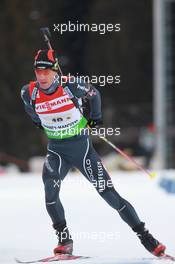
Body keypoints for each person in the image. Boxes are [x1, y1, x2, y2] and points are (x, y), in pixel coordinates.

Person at [21, 49, 166, 257]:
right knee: (50, 194)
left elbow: (94, 93)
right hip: (57, 151)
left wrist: (95, 118)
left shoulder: (71, 85)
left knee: (110, 196)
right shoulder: (29, 92)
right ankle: (64, 240)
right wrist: (40, 124)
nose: (42, 76)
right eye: (38, 71)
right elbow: (31, 111)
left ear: (55, 71)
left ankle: (147, 238)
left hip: (82, 150)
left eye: (46, 71)